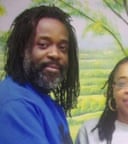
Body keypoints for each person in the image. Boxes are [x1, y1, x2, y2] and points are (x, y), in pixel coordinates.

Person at [0, 5, 80, 144]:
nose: (55, 54)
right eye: (43, 45)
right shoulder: (15, 104)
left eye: (62, 48)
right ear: (22, 49)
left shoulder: (47, 103)